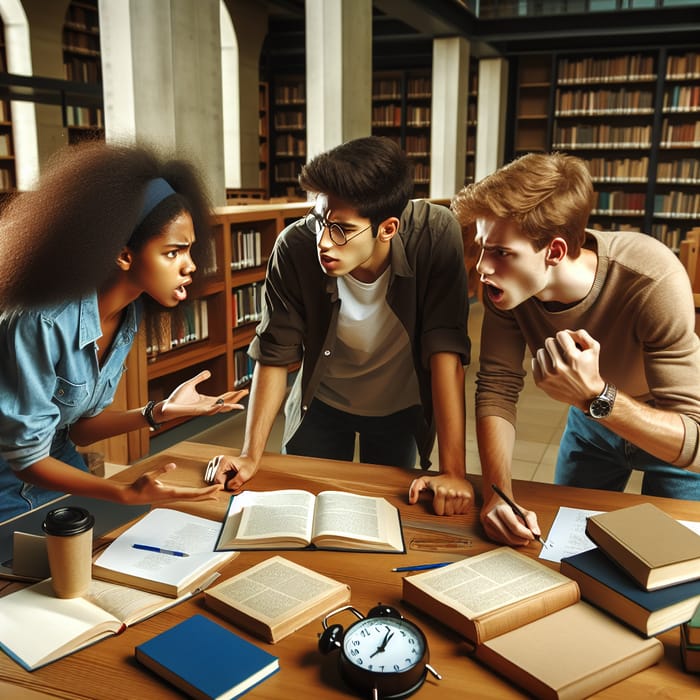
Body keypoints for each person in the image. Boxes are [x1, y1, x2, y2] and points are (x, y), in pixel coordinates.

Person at [209, 136, 474, 516]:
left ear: (388, 229)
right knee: (300, 508)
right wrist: (251, 455)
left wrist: (454, 472)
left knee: (386, 514)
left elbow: (446, 352)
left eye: (341, 230)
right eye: (319, 221)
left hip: (398, 405)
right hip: (322, 403)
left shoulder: (434, 235)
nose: (323, 242)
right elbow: (274, 353)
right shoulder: (295, 246)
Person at [451, 151, 700, 546]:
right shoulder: (508, 291)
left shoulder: (650, 277)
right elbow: (497, 387)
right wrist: (499, 497)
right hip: (591, 428)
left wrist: (595, 396)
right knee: (570, 547)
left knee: (678, 559)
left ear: (554, 251)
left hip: (664, 424)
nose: (482, 267)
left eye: (500, 252)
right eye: (482, 248)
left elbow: (695, 442)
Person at [0, 140, 247, 521]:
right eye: (172, 252)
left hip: (59, 464)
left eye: (190, 250)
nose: (190, 266)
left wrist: (159, 412)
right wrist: (122, 493)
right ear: (124, 253)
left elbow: (80, 430)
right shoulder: (40, 321)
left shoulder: (126, 314)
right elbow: (26, 460)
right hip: (10, 484)